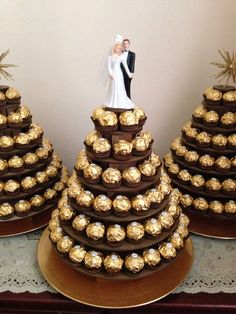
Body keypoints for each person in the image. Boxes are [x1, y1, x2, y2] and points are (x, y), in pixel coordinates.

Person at [105, 42, 134, 109]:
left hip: (119, 74)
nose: (117, 49)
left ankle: (120, 102)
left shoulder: (121, 57)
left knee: (120, 87)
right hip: (113, 74)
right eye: (116, 48)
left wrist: (129, 74)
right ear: (114, 48)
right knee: (113, 87)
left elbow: (125, 66)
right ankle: (113, 102)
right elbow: (109, 67)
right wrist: (111, 73)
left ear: (120, 49)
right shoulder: (109, 57)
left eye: (119, 48)